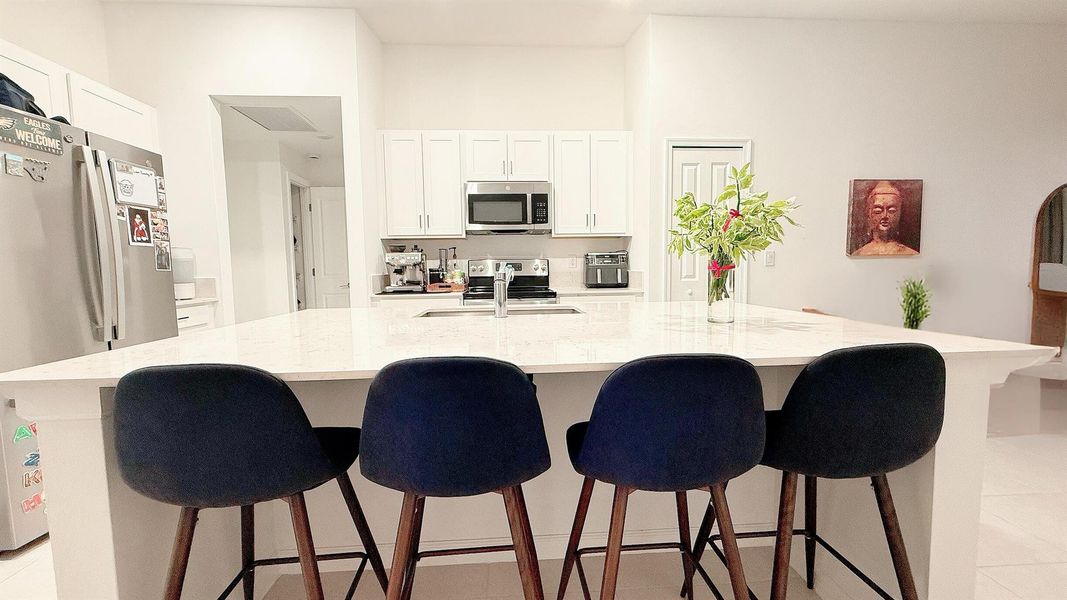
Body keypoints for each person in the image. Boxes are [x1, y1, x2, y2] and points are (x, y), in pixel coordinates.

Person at [853, 180, 918, 256]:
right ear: (869, 213)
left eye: (891, 210)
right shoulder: (860, 253)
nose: (885, 216)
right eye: (878, 211)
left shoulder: (910, 253)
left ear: (900, 213)